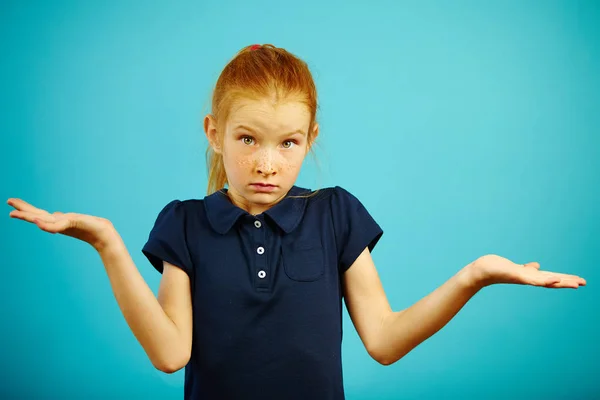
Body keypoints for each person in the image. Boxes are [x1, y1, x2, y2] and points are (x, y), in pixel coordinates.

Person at [7, 44, 586, 400]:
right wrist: (107, 243)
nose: (266, 162)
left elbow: (383, 341)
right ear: (214, 133)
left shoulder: (335, 213)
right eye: (247, 139)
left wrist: (477, 274)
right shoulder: (183, 225)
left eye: (287, 142)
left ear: (310, 140)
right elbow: (169, 354)